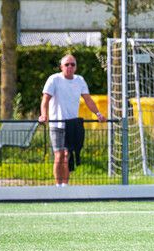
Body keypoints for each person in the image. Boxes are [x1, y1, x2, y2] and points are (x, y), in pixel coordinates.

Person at [38, 54, 105, 186]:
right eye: (66, 64)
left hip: (71, 125)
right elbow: (45, 100)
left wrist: (98, 113)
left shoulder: (80, 80)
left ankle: (65, 186)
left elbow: (88, 100)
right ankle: (58, 186)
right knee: (59, 155)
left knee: (68, 156)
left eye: (72, 64)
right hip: (57, 125)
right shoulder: (54, 79)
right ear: (61, 67)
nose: (69, 67)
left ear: (76, 67)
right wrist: (43, 115)